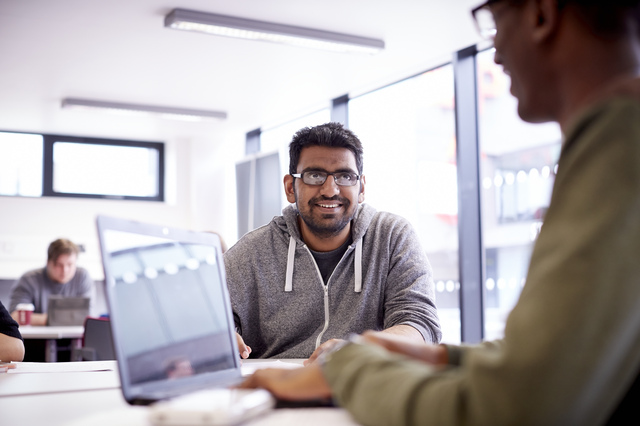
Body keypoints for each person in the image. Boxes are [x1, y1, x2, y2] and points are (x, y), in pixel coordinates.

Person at [238, 1, 640, 424]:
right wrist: (434, 356)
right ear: (291, 185)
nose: (496, 52)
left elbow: (514, 408)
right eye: (315, 175)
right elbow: (557, 358)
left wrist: (346, 367)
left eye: (493, 21)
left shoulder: (618, 145)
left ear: (542, 14)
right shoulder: (618, 134)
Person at [224, 122, 441, 361]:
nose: (330, 190)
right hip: (276, 387)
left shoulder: (391, 237)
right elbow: (210, 319)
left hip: (361, 383)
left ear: (361, 188)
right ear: (290, 187)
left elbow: (419, 323)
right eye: (314, 175)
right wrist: (222, 337)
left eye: (345, 176)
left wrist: (361, 348)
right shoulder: (253, 252)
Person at [9, 238, 95, 326]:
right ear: (48, 262)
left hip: (73, 338)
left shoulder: (82, 277)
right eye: (59, 265)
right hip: (38, 338)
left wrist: (42, 319)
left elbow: (86, 316)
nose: (65, 270)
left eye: (70, 265)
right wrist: (66, 319)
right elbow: (15, 316)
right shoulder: (29, 280)